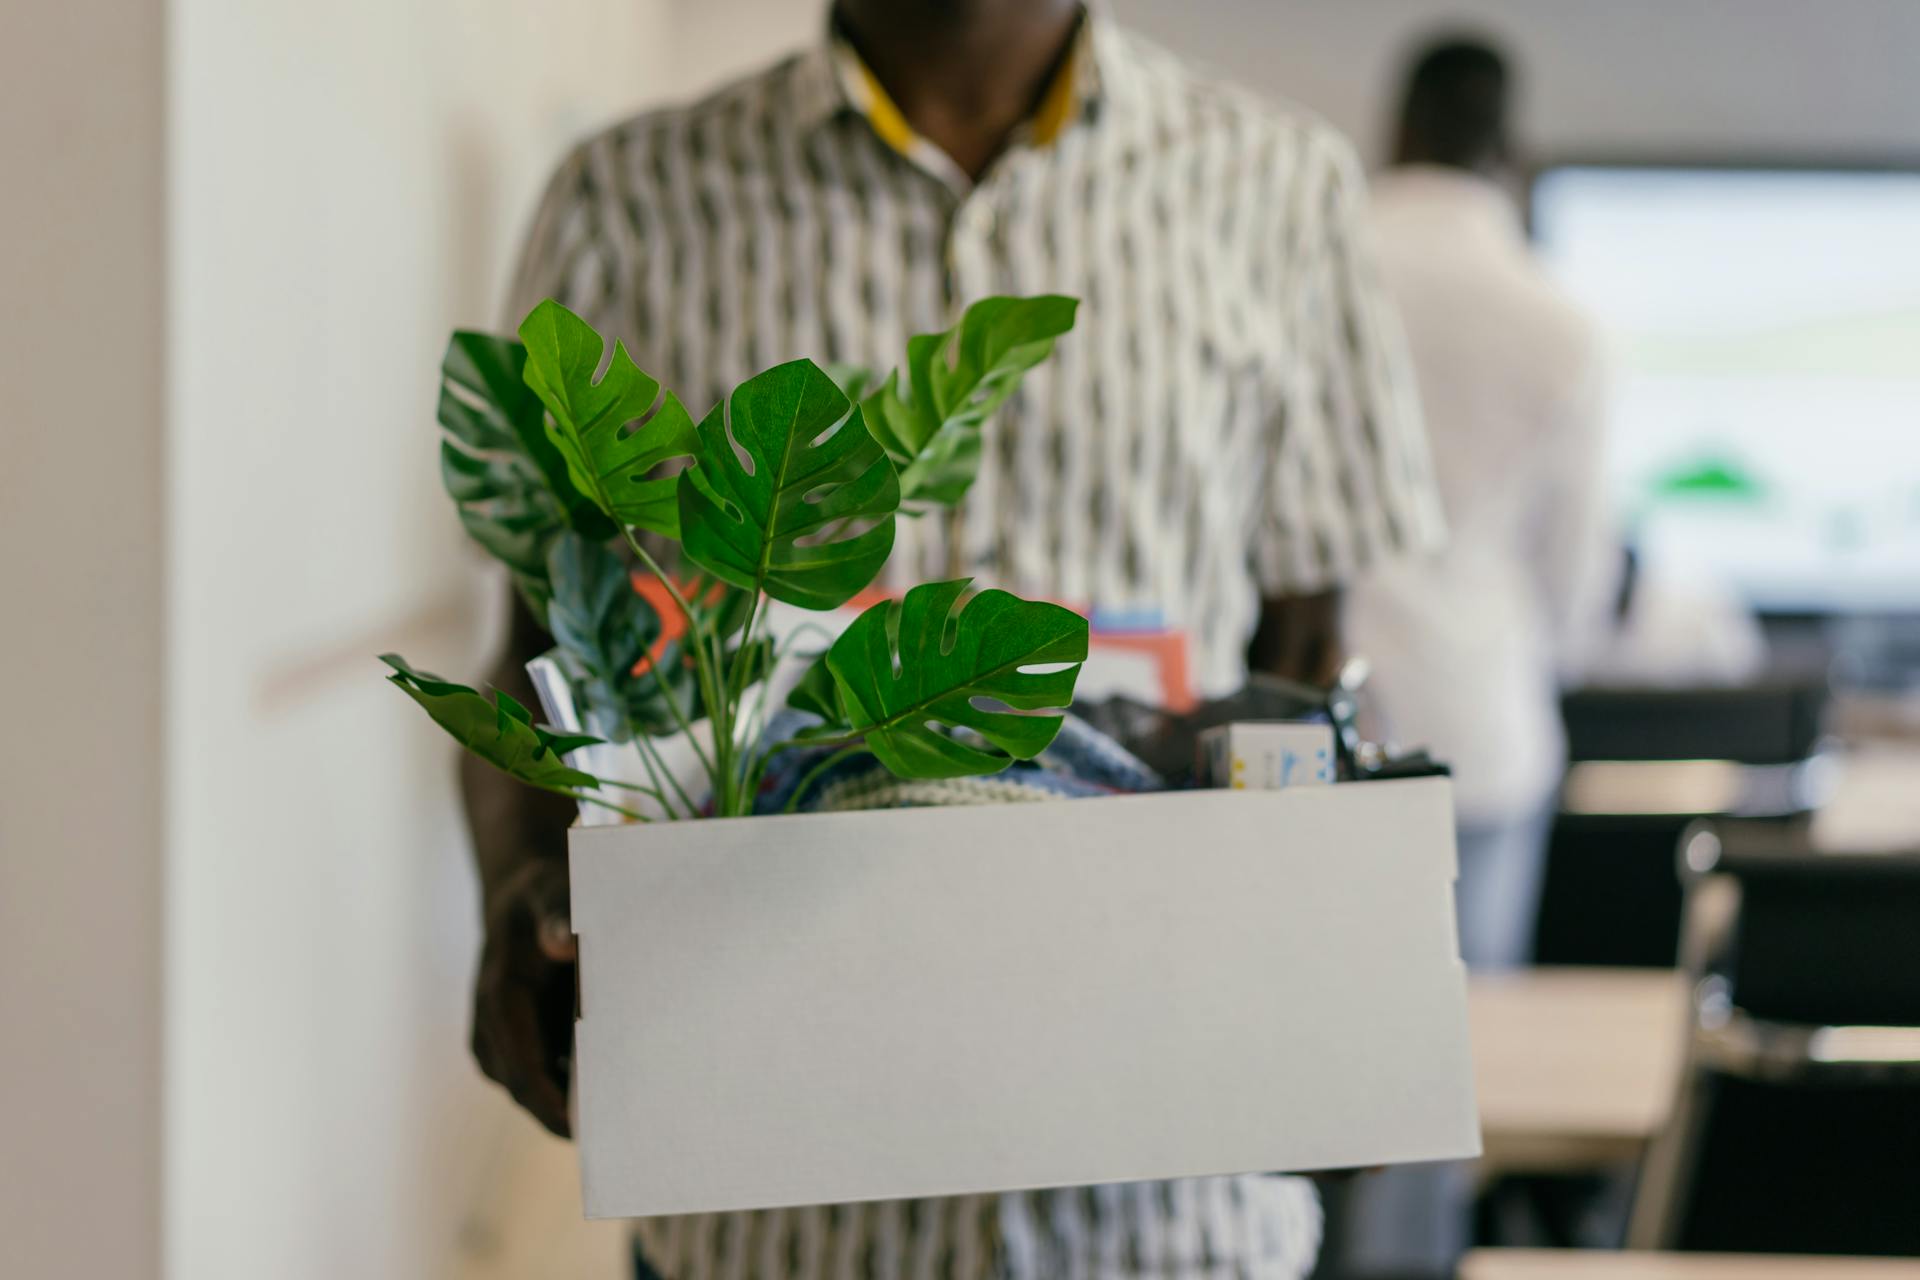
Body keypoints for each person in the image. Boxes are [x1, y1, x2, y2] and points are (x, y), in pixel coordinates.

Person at [466, 3, 1445, 1276]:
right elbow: (542, 643)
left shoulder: (1281, 189)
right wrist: (514, 892)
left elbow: (1305, 658)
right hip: (768, 1220)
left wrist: (1329, 969)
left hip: (1163, 1223)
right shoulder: (629, 201)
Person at [1332, 33, 1618, 1280]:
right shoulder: (1557, 314)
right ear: (1513, 148)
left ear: (1393, 128)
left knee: (1308, 1067)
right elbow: (1578, 582)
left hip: (1321, 719)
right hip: (1485, 725)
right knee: (1456, 1073)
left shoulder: (1320, 264)